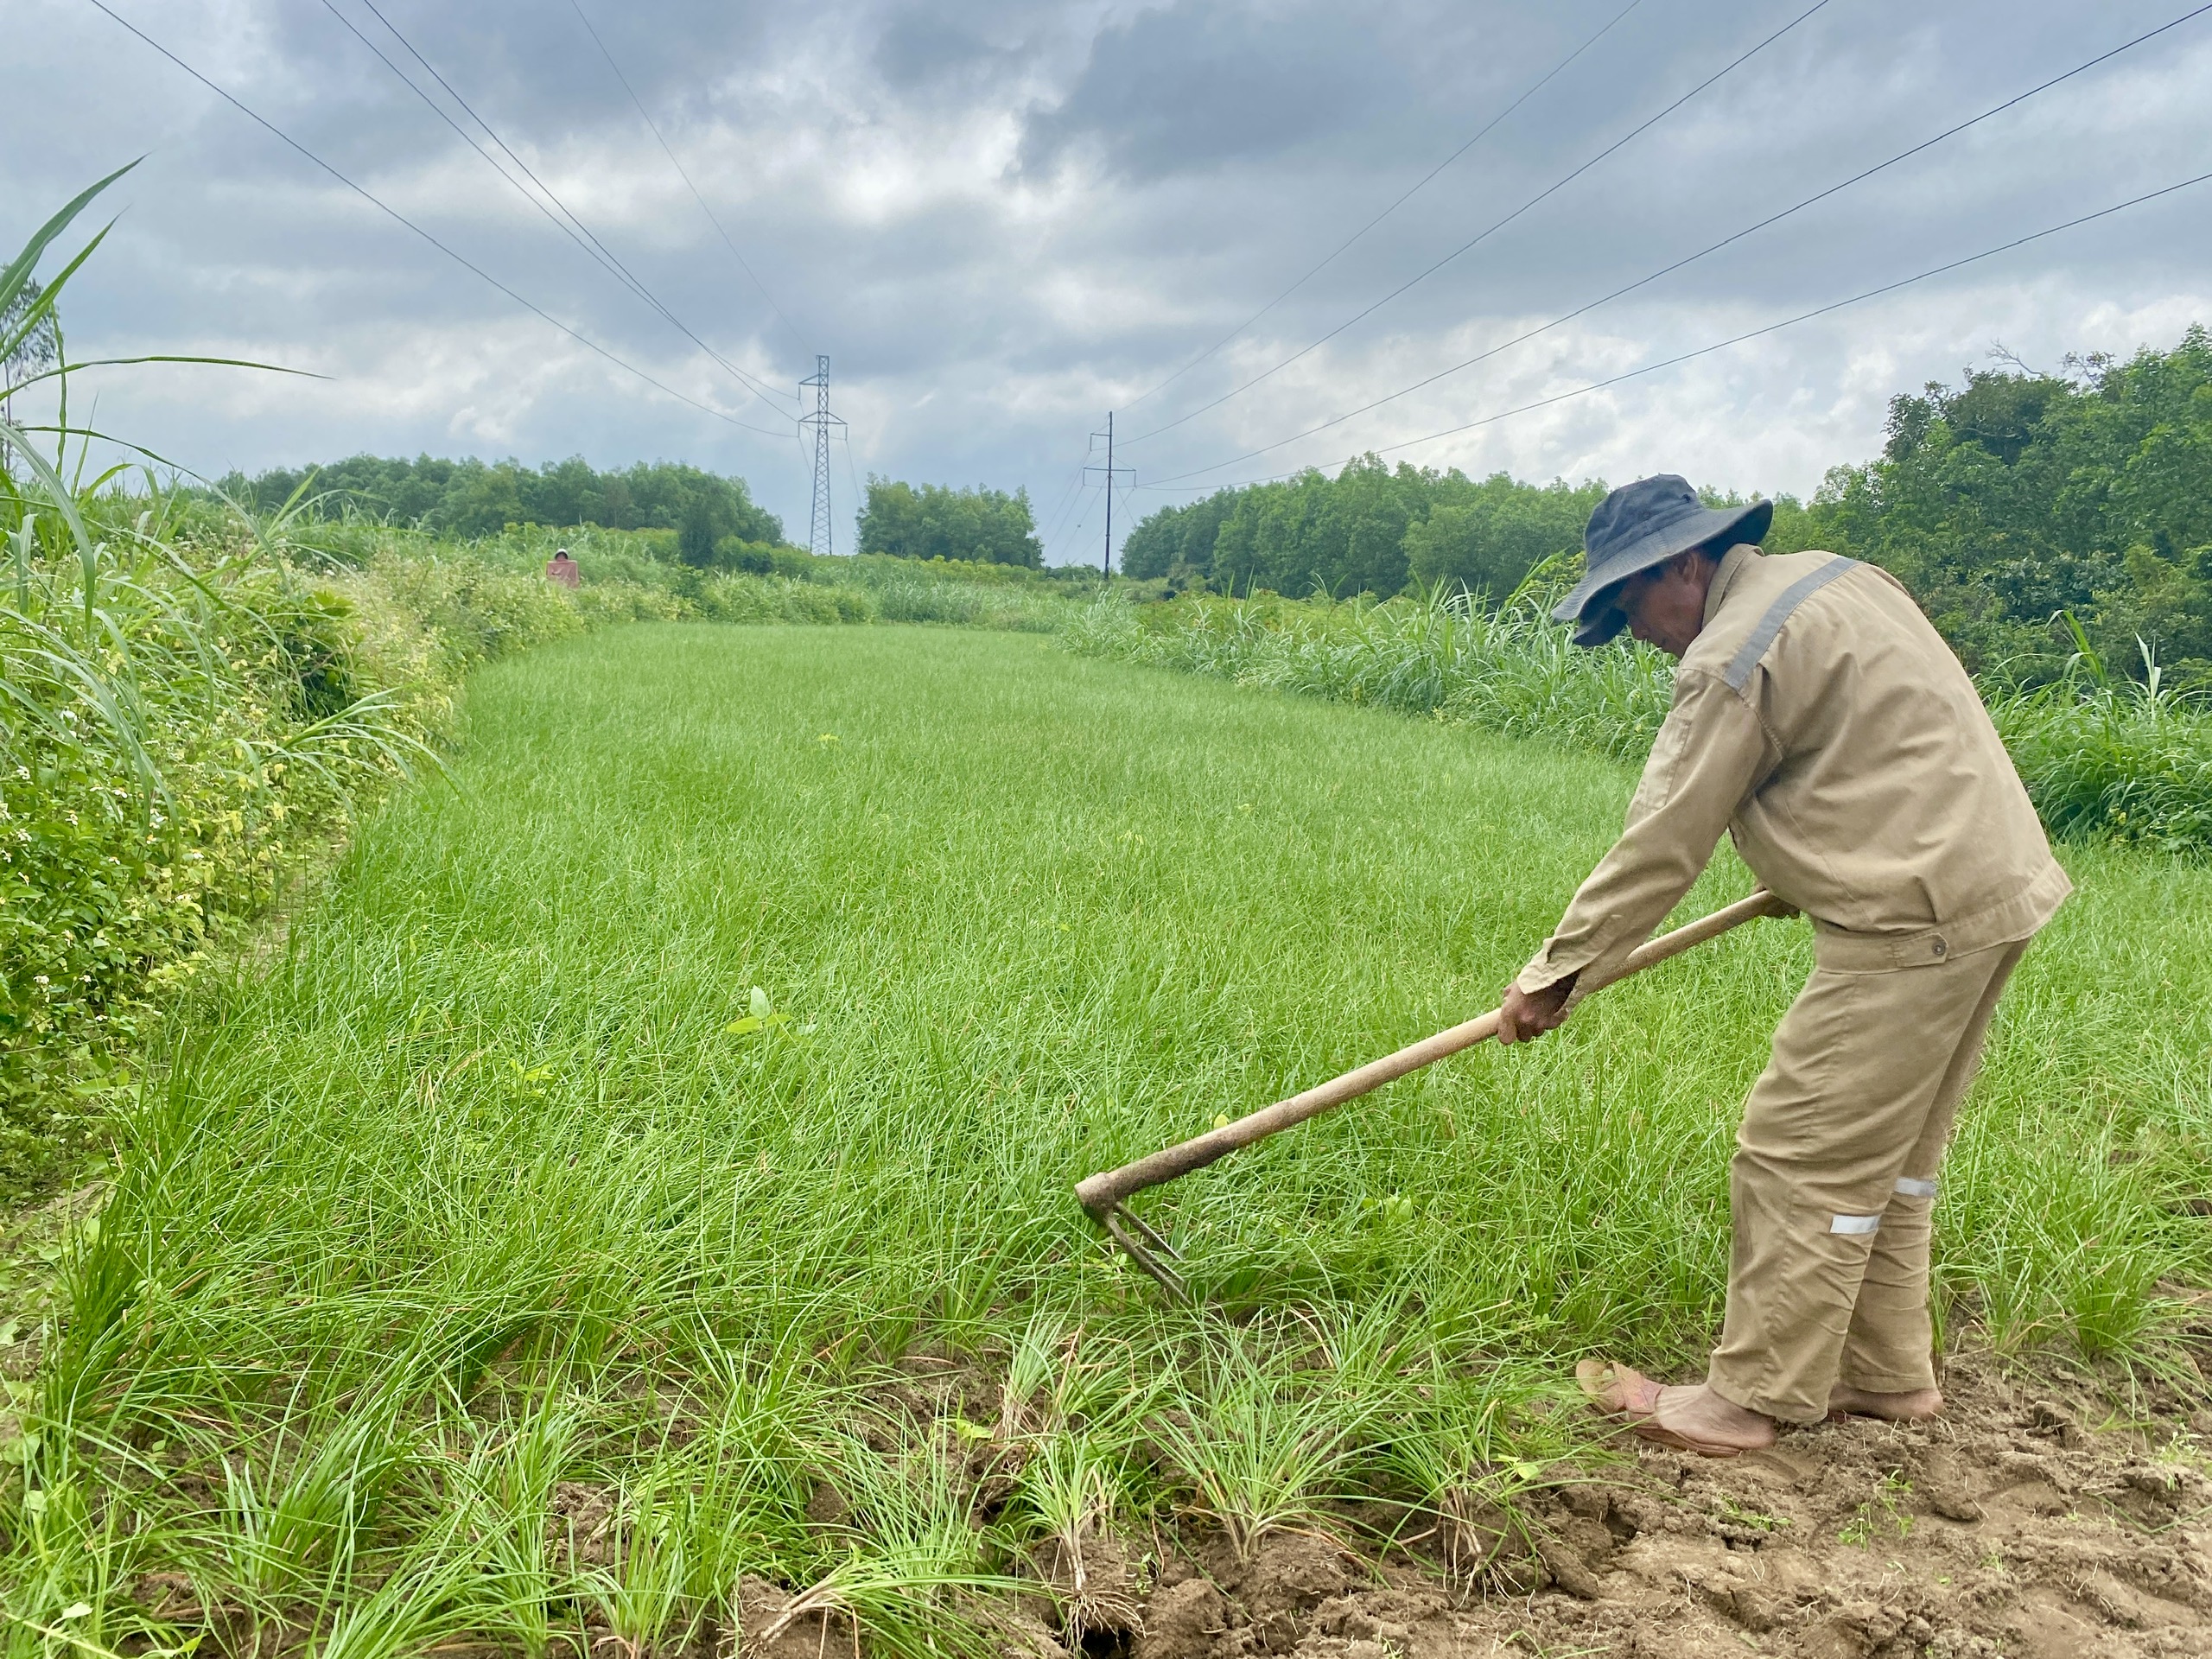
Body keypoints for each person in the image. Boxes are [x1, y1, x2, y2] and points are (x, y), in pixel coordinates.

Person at [1497, 474, 2069, 1457]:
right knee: (1888, 1162)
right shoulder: (1837, 578)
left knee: (1796, 1153)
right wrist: (1818, 853)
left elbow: (1664, 840)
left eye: (1629, 604)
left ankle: (1750, 1397)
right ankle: (1884, 1375)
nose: (1634, 631)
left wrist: (1557, 971)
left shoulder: (1734, 651)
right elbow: (1880, 742)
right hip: (1991, 887)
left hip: (1910, 919)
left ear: (1684, 564)